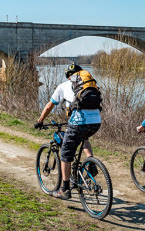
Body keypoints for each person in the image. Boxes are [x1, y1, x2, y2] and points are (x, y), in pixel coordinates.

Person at [34, 63, 101, 199]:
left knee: (65, 153)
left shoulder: (64, 86)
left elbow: (49, 106)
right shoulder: (88, 83)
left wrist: (40, 120)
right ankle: (91, 161)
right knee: (84, 137)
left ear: (68, 76)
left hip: (78, 122)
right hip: (96, 121)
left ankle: (64, 190)